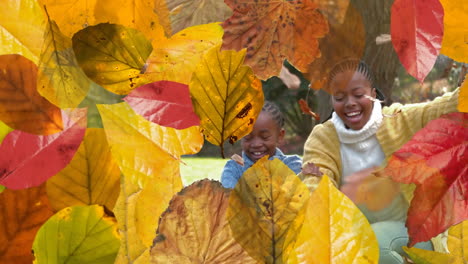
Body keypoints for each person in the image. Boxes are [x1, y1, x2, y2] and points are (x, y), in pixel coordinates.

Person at [301, 59, 459, 263]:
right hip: (352, 238)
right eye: (340, 97)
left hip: (413, 233)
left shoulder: (400, 120)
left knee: (375, 244)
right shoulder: (323, 137)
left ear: (373, 94)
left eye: (358, 95)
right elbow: (315, 184)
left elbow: (449, 105)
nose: (350, 103)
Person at [221, 101, 302, 189]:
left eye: (265, 137)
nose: (256, 144)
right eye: (248, 137)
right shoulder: (234, 169)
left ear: (280, 136)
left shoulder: (292, 165)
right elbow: (228, 198)